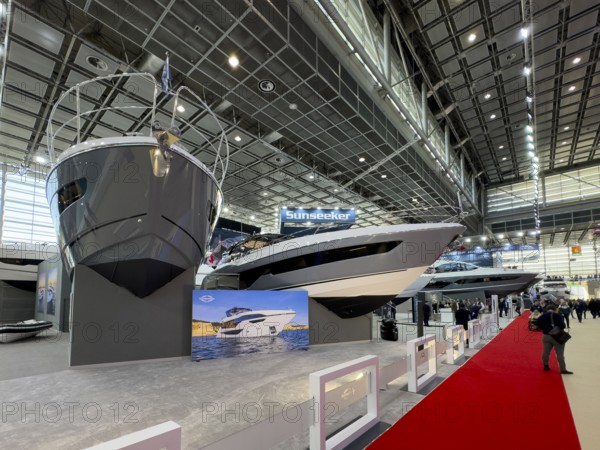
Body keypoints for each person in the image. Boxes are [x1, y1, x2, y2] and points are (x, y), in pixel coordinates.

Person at [534, 305, 572, 374]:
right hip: (557, 336)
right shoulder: (557, 315)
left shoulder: (542, 316)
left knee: (546, 352)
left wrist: (545, 329)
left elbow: (538, 325)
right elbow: (563, 325)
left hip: (546, 336)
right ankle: (563, 369)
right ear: (554, 309)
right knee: (560, 353)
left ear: (547, 309)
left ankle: (546, 366)